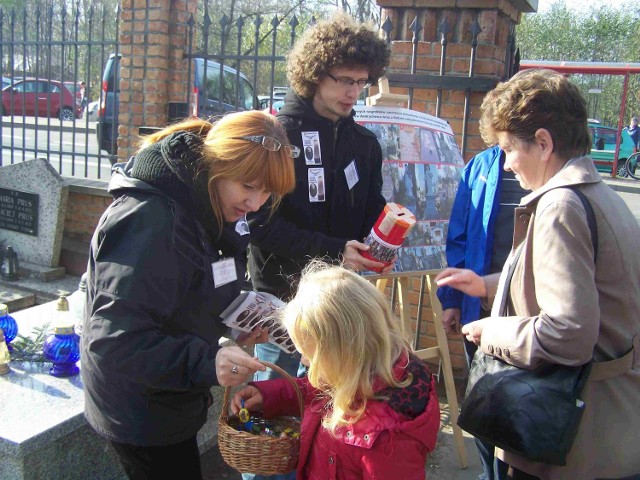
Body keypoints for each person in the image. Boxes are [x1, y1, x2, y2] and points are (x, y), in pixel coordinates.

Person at [435, 68, 640, 479]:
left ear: (543, 143)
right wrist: (487, 285)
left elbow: (568, 332)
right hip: (607, 430)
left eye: (510, 149)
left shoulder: (560, 206)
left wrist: (490, 331)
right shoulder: (601, 196)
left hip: (571, 438)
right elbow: (573, 286)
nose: (507, 165)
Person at [81, 111, 297, 480]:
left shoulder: (206, 207)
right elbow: (113, 342)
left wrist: (235, 324)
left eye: (267, 192)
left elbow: (189, 288)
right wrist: (206, 361)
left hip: (169, 395)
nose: (256, 203)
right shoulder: (150, 220)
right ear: (216, 165)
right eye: (248, 186)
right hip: (140, 406)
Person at [248, 14, 393, 381]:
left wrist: (382, 241)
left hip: (339, 309)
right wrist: (334, 249)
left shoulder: (365, 144)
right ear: (315, 73)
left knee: (325, 417)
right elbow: (258, 224)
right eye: (344, 80)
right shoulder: (276, 135)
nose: (353, 91)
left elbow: (367, 206)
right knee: (274, 413)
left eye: (361, 82)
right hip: (282, 304)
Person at [231, 262, 440, 480]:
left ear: (340, 354)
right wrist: (269, 396)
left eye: (310, 356)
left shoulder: (386, 442)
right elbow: (320, 390)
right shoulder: (362, 372)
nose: (305, 362)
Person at [437, 144, 526, 480]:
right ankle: (487, 473)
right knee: (482, 402)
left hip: (526, 316)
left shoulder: (551, 165)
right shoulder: (480, 166)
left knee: (521, 413)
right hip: (479, 311)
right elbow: (458, 237)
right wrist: (452, 300)